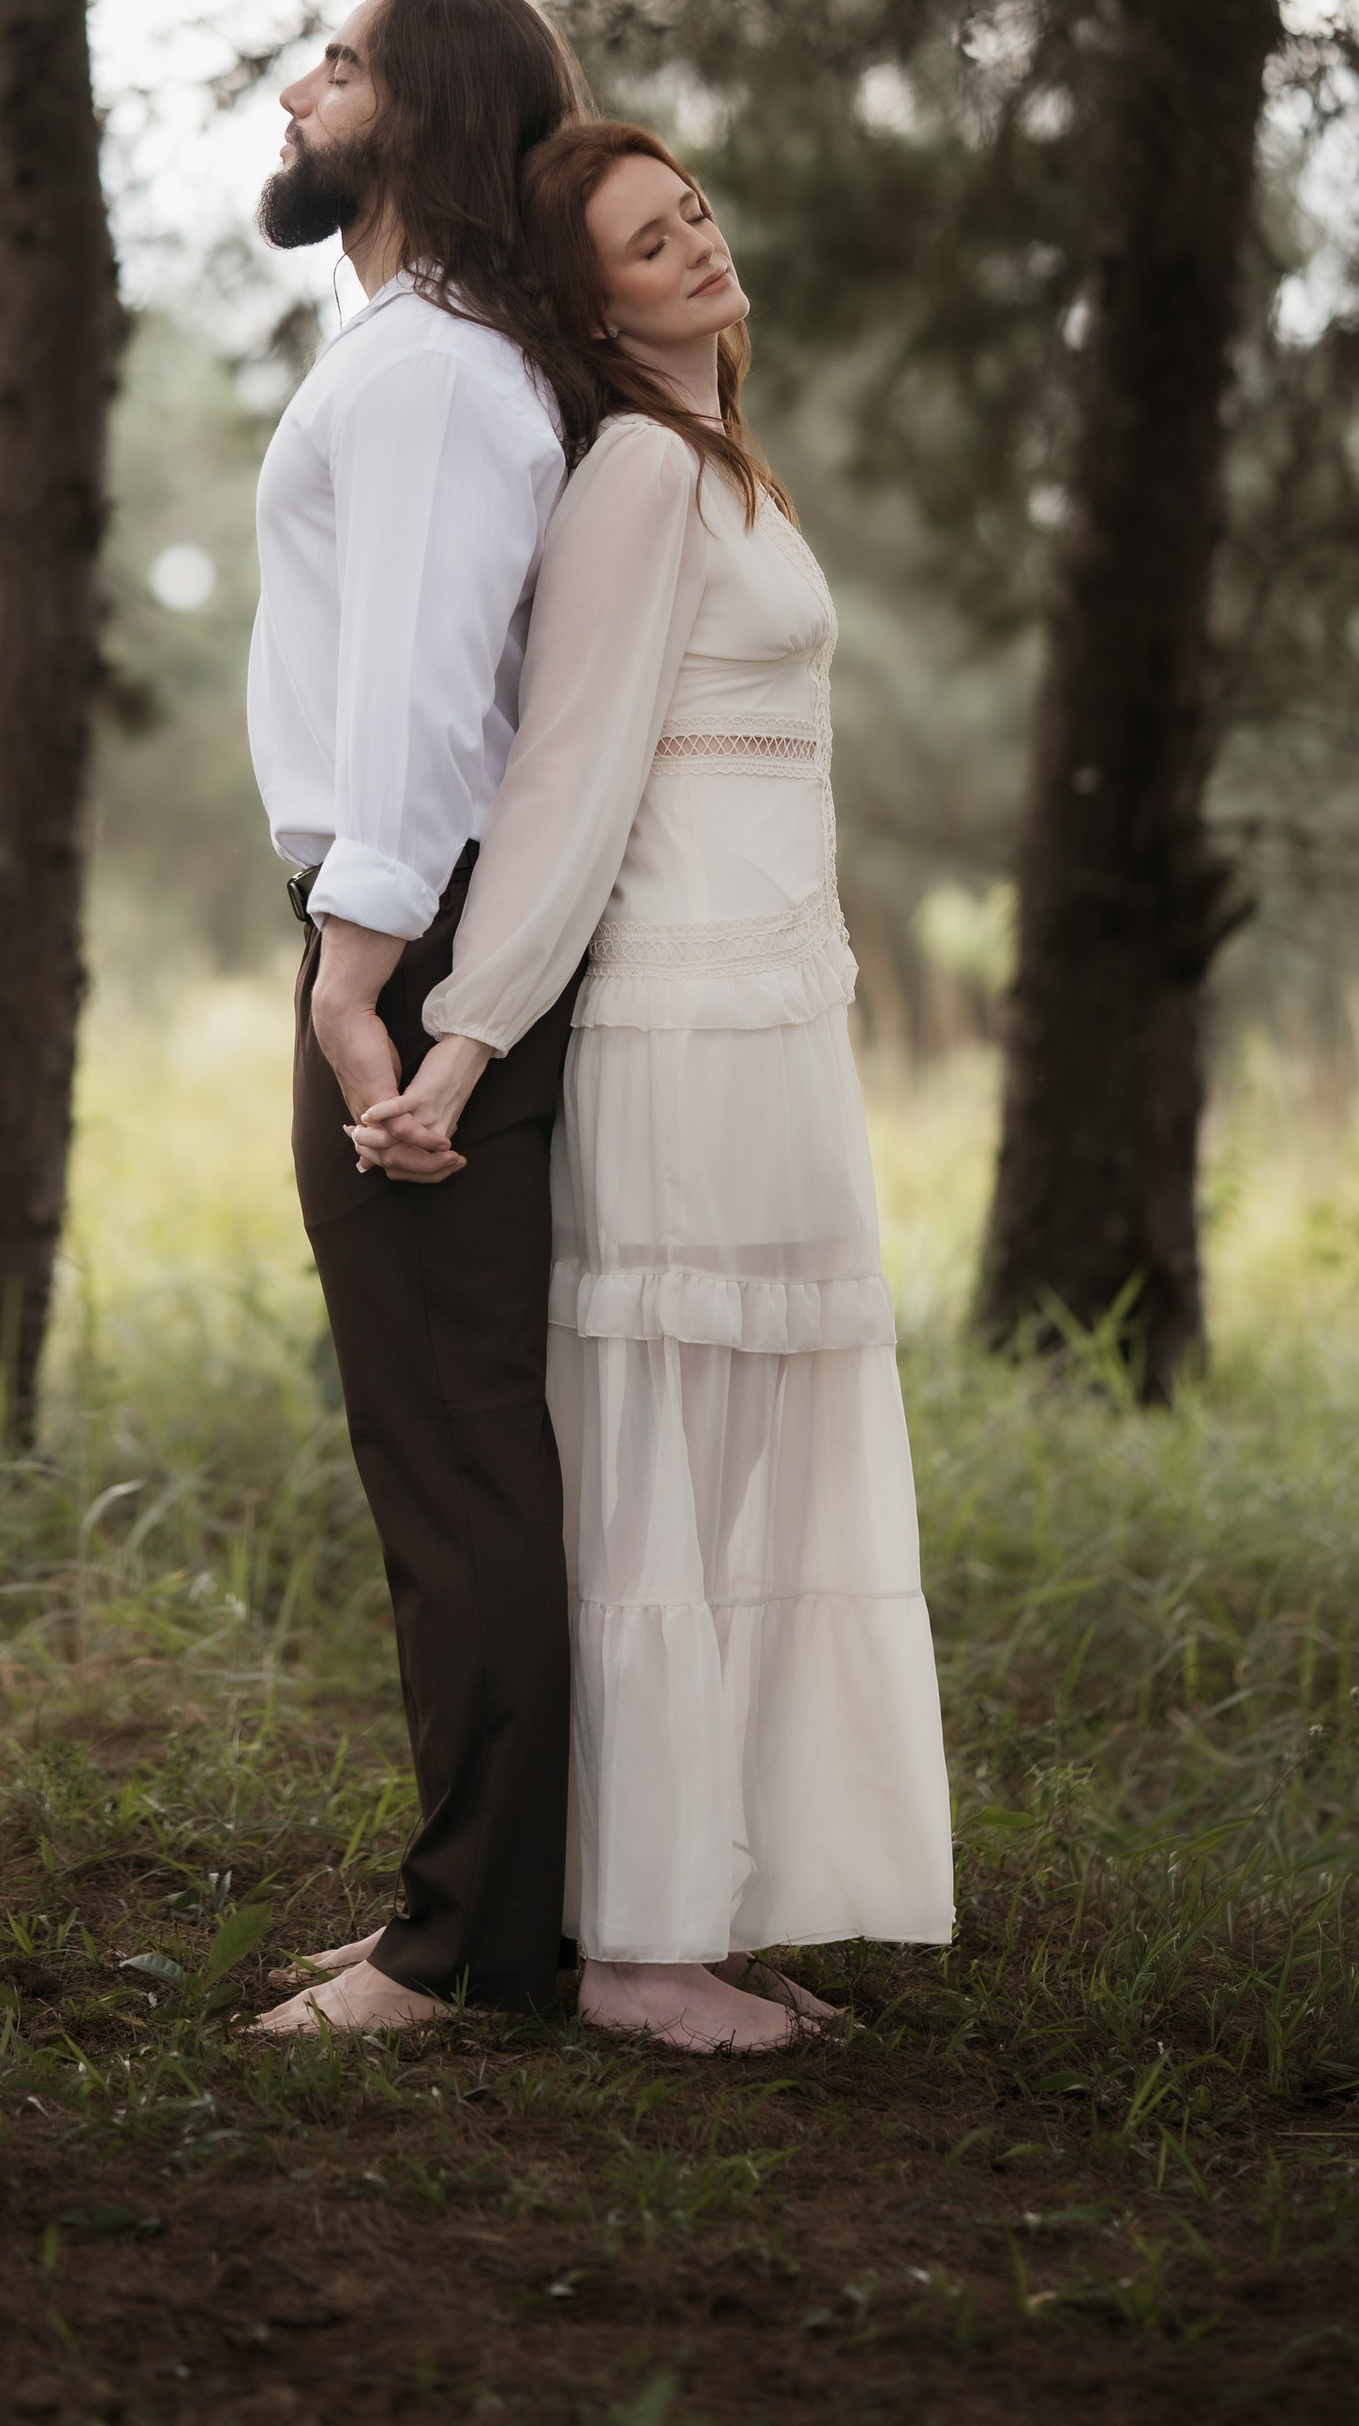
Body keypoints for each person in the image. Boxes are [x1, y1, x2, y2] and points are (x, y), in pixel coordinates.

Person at [357, 121, 953, 2053]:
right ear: (588, 301)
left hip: (779, 1018)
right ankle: (632, 1951)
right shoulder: (629, 474)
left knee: (764, 1478)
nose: (695, 241)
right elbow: (569, 779)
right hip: (679, 1031)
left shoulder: (722, 468)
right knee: (673, 1483)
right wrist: (462, 1037)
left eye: (693, 204)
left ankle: (704, 1901)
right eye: (642, 240)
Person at [243, 0, 596, 2040]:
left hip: (421, 935)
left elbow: (417, 693)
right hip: (416, 918)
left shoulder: (439, 372)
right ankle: (480, 1922)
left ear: (424, 120)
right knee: (454, 1446)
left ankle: (461, 1957)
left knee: (450, 1455)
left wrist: (360, 972)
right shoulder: (413, 356)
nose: (296, 89)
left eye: (343, 64)